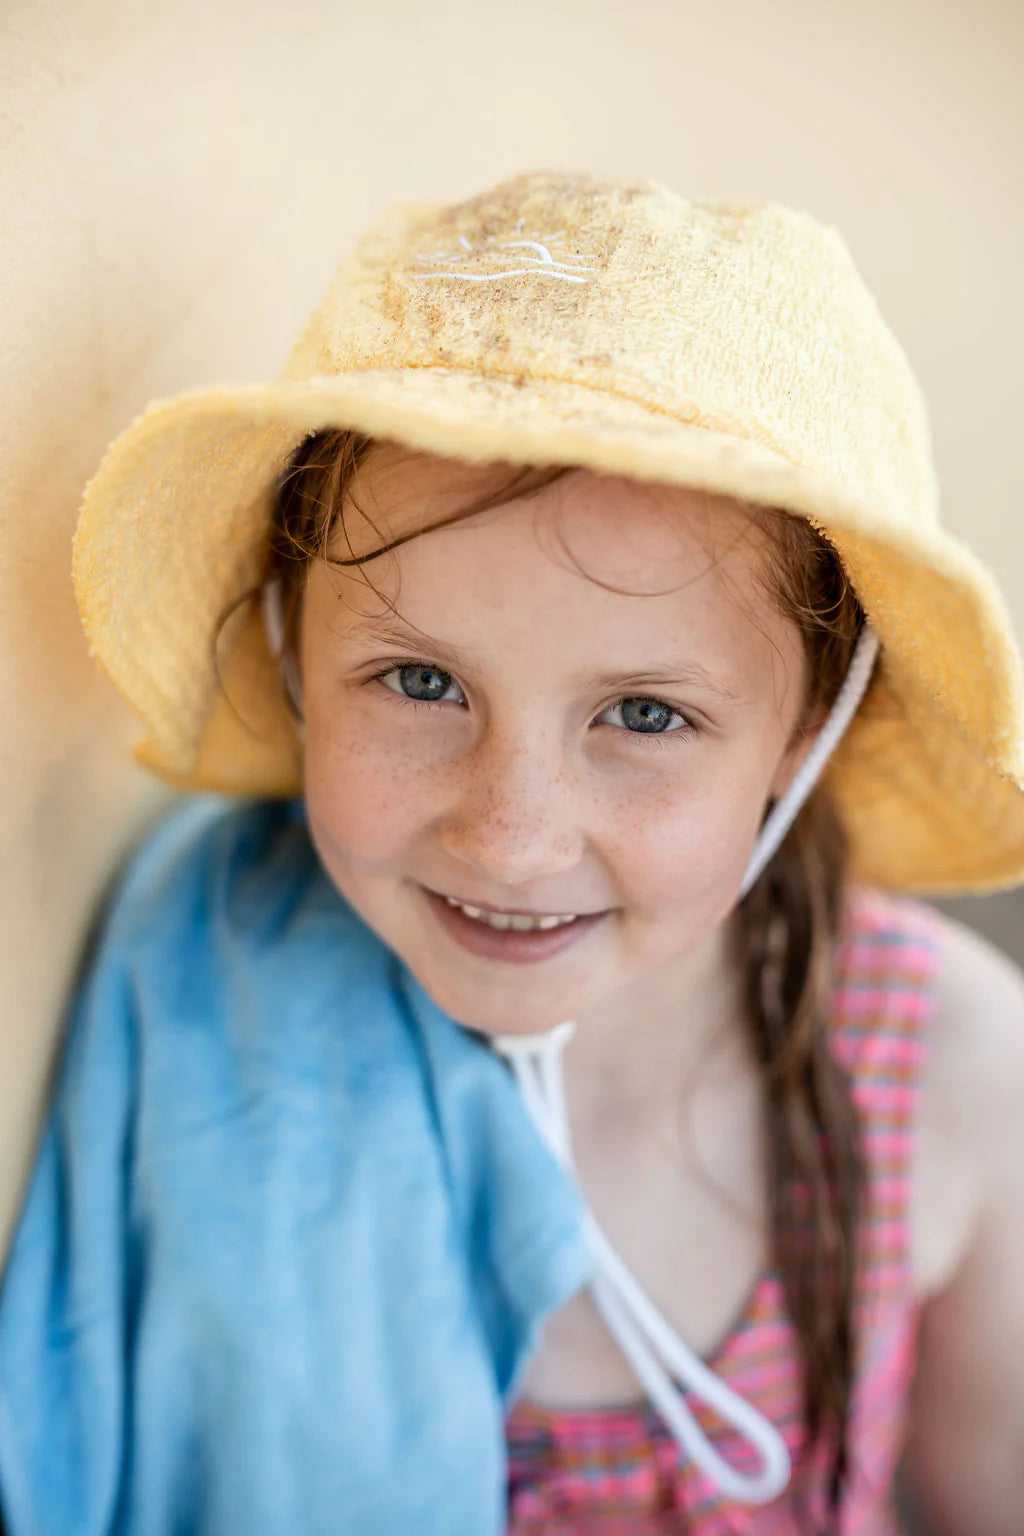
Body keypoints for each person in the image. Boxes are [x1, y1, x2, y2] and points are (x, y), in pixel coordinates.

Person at [1, 170, 1023, 1536]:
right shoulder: (192, 1003)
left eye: (646, 714)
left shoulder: (948, 1074)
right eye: (418, 683)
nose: (512, 837)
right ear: (294, 658)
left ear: (807, 732)